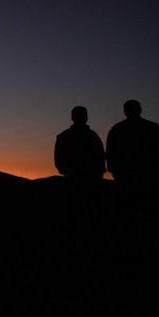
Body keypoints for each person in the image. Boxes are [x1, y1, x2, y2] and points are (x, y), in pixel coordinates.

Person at [105, 99, 159, 241]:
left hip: (141, 179)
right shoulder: (151, 128)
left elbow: (110, 154)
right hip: (141, 179)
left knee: (135, 213)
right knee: (139, 212)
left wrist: (116, 173)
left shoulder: (118, 129)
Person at [53, 106, 106, 250]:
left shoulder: (68, 136)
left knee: (80, 212)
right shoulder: (90, 136)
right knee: (78, 212)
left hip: (82, 179)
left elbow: (101, 157)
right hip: (81, 179)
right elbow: (101, 157)